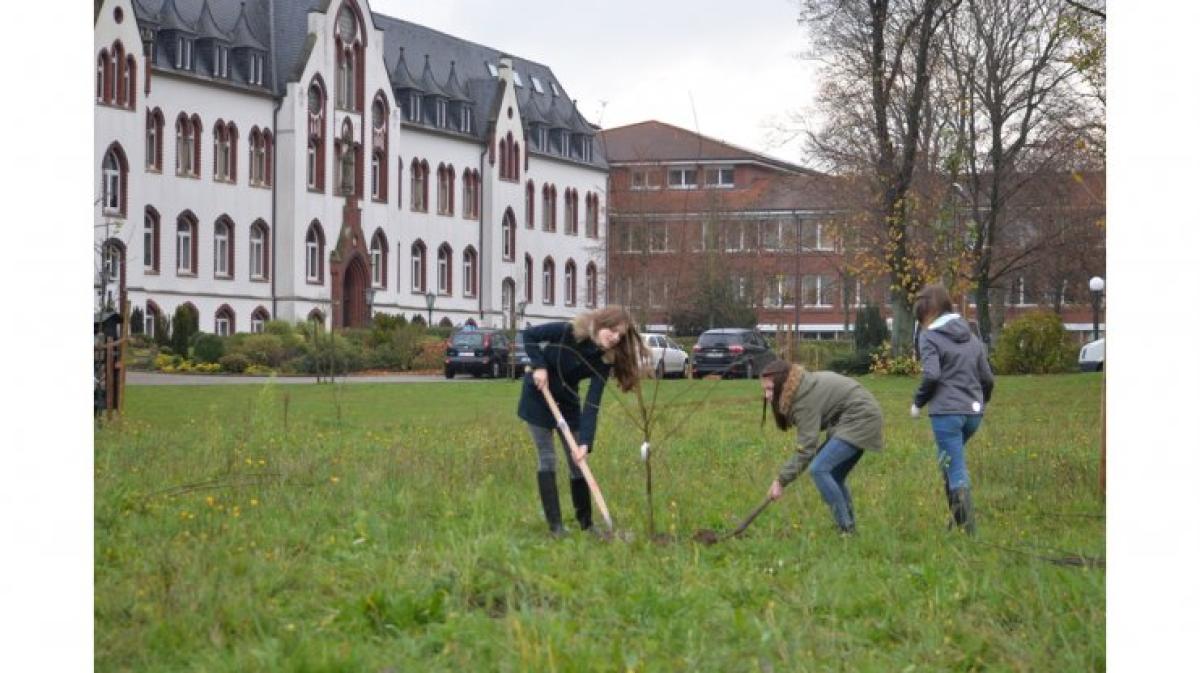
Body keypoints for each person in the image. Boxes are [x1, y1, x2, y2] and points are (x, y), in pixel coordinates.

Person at [518, 306, 647, 535]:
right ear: (600, 323)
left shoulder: (603, 359)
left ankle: (587, 525)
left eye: (620, 335)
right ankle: (556, 527)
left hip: (567, 404)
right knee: (547, 458)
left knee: (579, 462)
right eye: (613, 330)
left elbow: (592, 403)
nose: (615, 337)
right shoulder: (568, 331)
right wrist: (539, 366)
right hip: (538, 397)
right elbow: (529, 335)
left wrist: (585, 441)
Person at [761, 359, 883, 534]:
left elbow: (806, 449)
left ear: (782, 384)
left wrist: (780, 481)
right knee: (834, 474)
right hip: (851, 419)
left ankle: (846, 529)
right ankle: (849, 527)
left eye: (770, 389)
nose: (766, 395)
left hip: (860, 418)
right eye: (764, 389)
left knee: (819, 469)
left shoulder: (803, 399)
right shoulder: (800, 386)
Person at [910, 283, 995, 535]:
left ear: (927, 313)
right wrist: (982, 403)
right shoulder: (972, 337)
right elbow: (988, 378)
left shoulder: (929, 337)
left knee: (954, 467)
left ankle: (969, 532)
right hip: (973, 414)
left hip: (946, 413)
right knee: (947, 461)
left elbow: (932, 374)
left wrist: (917, 402)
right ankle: (956, 519)